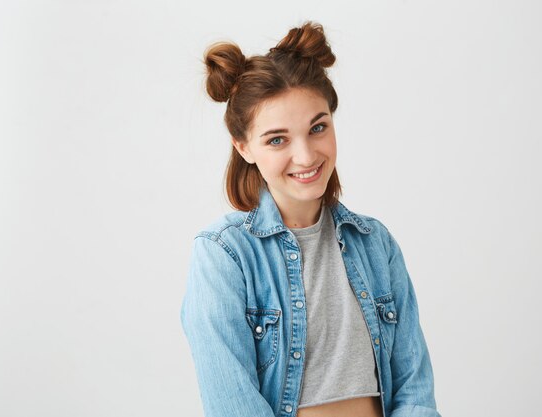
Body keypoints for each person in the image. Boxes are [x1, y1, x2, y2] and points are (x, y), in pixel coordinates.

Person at [181, 21, 442, 417]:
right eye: (277, 139)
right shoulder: (223, 255)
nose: (305, 156)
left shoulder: (376, 244)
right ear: (243, 146)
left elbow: (414, 390)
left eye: (317, 127)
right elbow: (232, 404)